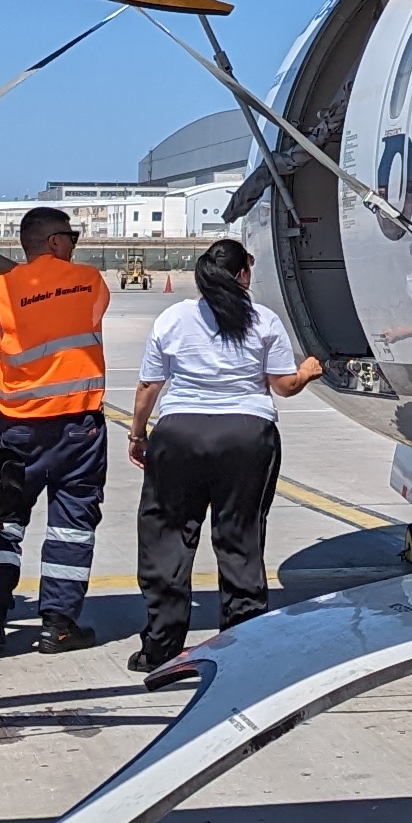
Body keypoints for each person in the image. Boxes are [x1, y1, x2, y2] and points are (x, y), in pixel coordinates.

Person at [127, 240, 321, 682]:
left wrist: (138, 435)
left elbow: (148, 387)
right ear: (242, 275)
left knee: (167, 539)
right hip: (246, 436)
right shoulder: (263, 320)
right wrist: (307, 372)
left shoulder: (173, 318)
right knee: (240, 539)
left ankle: (160, 647)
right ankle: (241, 644)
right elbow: (284, 387)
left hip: (180, 436)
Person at [0, 206, 110, 654]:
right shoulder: (91, 280)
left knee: (5, 521)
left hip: (16, 430)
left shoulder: (1, 289)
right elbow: (84, 313)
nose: (73, 244)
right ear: (54, 241)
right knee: (72, 524)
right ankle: (58, 625)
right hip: (78, 429)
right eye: (70, 236)